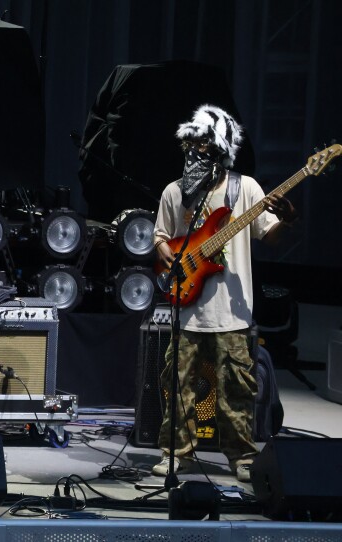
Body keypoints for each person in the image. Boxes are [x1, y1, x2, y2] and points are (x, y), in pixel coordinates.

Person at [151, 104, 298, 483]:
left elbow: (271, 236)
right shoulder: (174, 192)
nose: (193, 152)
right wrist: (175, 261)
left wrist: (288, 220)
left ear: (218, 148)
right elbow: (161, 240)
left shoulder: (245, 189)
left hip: (232, 314)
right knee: (179, 385)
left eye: (201, 144)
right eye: (189, 144)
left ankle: (242, 457)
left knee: (235, 389)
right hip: (188, 309)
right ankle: (176, 453)